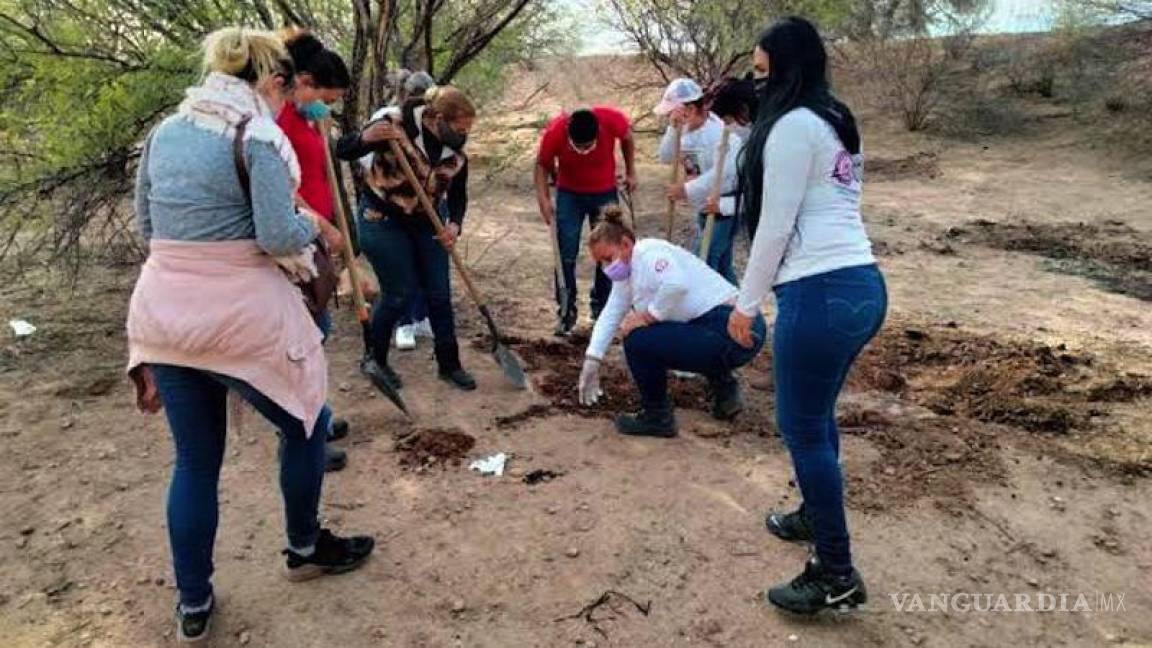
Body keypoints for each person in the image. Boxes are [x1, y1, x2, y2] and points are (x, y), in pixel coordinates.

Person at [127, 27, 375, 643]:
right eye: (285, 90)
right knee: (307, 424)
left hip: (164, 314)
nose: (288, 102)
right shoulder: (254, 134)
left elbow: (146, 223)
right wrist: (314, 225)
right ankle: (302, 546)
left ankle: (193, 602)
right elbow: (276, 235)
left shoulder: (164, 132)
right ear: (270, 81)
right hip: (239, 316)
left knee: (194, 463)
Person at [727, 16, 886, 615]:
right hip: (860, 285)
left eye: (763, 73)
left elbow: (776, 226)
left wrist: (745, 305)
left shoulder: (794, 126)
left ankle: (836, 573)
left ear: (787, 69)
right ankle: (812, 515)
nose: (757, 85)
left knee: (800, 428)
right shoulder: (834, 119)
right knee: (816, 422)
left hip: (821, 293)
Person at [576, 206, 766, 437]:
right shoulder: (628, 274)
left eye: (608, 258)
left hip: (734, 329)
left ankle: (657, 416)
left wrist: (647, 316)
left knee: (638, 340)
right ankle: (725, 392)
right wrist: (592, 359)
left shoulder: (648, 254)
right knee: (674, 330)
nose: (607, 268)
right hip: (730, 329)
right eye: (601, 263)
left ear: (626, 244)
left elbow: (676, 284)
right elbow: (610, 314)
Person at [336, 84, 478, 391]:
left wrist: (455, 224)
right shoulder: (394, 125)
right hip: (382, 219)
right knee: (399, 293)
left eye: (468, 128)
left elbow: (458, 195)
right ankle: (375, 359)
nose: (464, 133)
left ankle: (449, 364)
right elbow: (343, 150)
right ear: (436, 118)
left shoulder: (456, 155)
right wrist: (365, 138)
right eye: (459, 127)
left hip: (427, 221)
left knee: (439, 293)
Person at [276, 28, 352, 472]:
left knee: (318, 333)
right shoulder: (280, 119)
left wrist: (321, 123)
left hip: (316, 236)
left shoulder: (305, 118)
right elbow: (285, 187)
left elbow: (320, 170)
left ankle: (317, 418)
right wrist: (323, 224)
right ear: (304, 82)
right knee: (307, 337)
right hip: (300, 237)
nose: (331, 105)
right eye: (328, 96)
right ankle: (304, 434)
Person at [535, 105, 638, 337]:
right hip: (569, 194)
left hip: (604, 192)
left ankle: (602, 309)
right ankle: (566, 311)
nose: (583, 150)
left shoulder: (610, 119)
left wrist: (631, 171)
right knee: (566, 251)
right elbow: (542, 164)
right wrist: (543, 199)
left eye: (588, 146)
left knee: (608, 252)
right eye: (578, 146)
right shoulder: (556, 131)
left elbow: (627, 136)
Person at [657, 78, 743, 285]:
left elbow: (723, 174)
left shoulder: (722, 135)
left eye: (674, 112)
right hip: (704, 207)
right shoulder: (683, 131)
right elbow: (666, 156)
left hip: (724, 207)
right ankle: (743, 313)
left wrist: (686, 190)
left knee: (703, 261)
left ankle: (717, 311)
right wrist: (672, 128)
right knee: (722, 266)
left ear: (691, 109)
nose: (671, 116)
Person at [387, 70, 437, 351]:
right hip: (396, 206)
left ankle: (421, 317)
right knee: (403, 267)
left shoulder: (434, 120)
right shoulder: (390, 119)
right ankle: (404, 324)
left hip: (426, 204)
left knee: (423, 264)